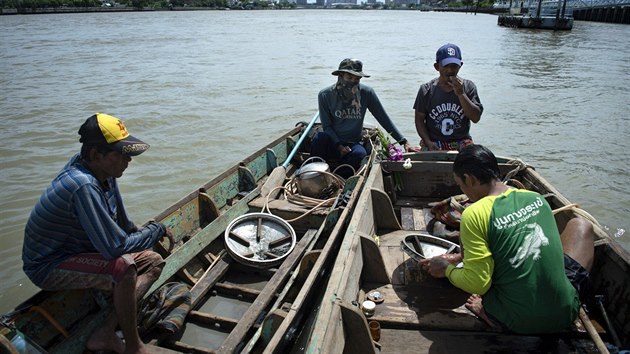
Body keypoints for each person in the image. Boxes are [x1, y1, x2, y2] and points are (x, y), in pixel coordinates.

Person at [22, 113, 172, 354]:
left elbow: (124, 225)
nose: (128, 161)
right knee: (124, 268)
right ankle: (134, 347)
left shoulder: (104, 173)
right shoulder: (82, 185)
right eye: (121, 155)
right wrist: (156, 231)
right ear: (95, 155)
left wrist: (146, 234)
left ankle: (105, 331)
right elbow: (114, 247)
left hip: (79, 249)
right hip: (49, 264)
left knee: (153, 262)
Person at [419, 144, 594, 334]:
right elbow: (510, 240)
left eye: (460, 185)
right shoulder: (536, 198)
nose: (462, 191)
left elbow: (477, 283)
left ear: (469, 179)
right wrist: (460, 257)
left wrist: (447, 270)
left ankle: (488, 312)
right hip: (566, 312)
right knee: (581, 225)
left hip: (519, 321)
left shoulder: (473, 214)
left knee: (485, 287)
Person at [312, 58, 419, 177]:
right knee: (319, 139)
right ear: (341, 75)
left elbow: (383, 118)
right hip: (333, 142)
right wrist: (339, 145)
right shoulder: (325, 95)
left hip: (353, 144)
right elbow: (326, 126)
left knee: (360, 154)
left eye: (357, 78)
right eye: (349, 77)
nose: (353, 81)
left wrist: (403, 141)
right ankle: (316, 174)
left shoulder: (366, 93)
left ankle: (338, 178)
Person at [414, 43, 483, 151]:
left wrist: (461, 94)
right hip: (433, 140)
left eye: (454, 66)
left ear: (460, 65)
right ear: (437, 67)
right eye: (446, 66)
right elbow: (419, 120)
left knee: (473, 157)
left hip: (461, 141)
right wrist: (427, 141)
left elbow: (475, 118)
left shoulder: (468, 87)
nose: (451, 70)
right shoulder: (426, 90)